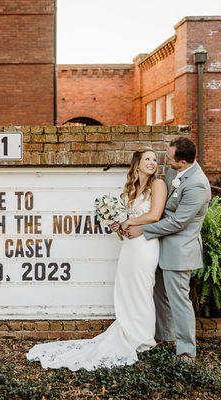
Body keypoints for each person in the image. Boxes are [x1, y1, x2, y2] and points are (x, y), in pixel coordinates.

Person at [26, 147, 167, 371]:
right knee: (127, 289)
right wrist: (118, 226)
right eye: (147, 159)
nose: (152, 162)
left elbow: (155, 214)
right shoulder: (131, 189)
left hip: (146, 246)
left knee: (142, 288)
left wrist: (128, 223)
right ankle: (129, 332)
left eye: (154, 159)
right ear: (137, 164)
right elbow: (124, 220)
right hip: (129, 246)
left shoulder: (157, 185)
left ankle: (143, 338)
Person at [126, 137, 211, 361]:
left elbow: (177, 223)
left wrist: (143, 230)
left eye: (170, 158)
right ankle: (164, 336)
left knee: (179, 301)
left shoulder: (198, 185)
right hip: (158, 247)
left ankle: (186, 351)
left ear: (182, 162)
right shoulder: (175, 174)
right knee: (159, 295)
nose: (166, 160)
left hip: (179, 252)